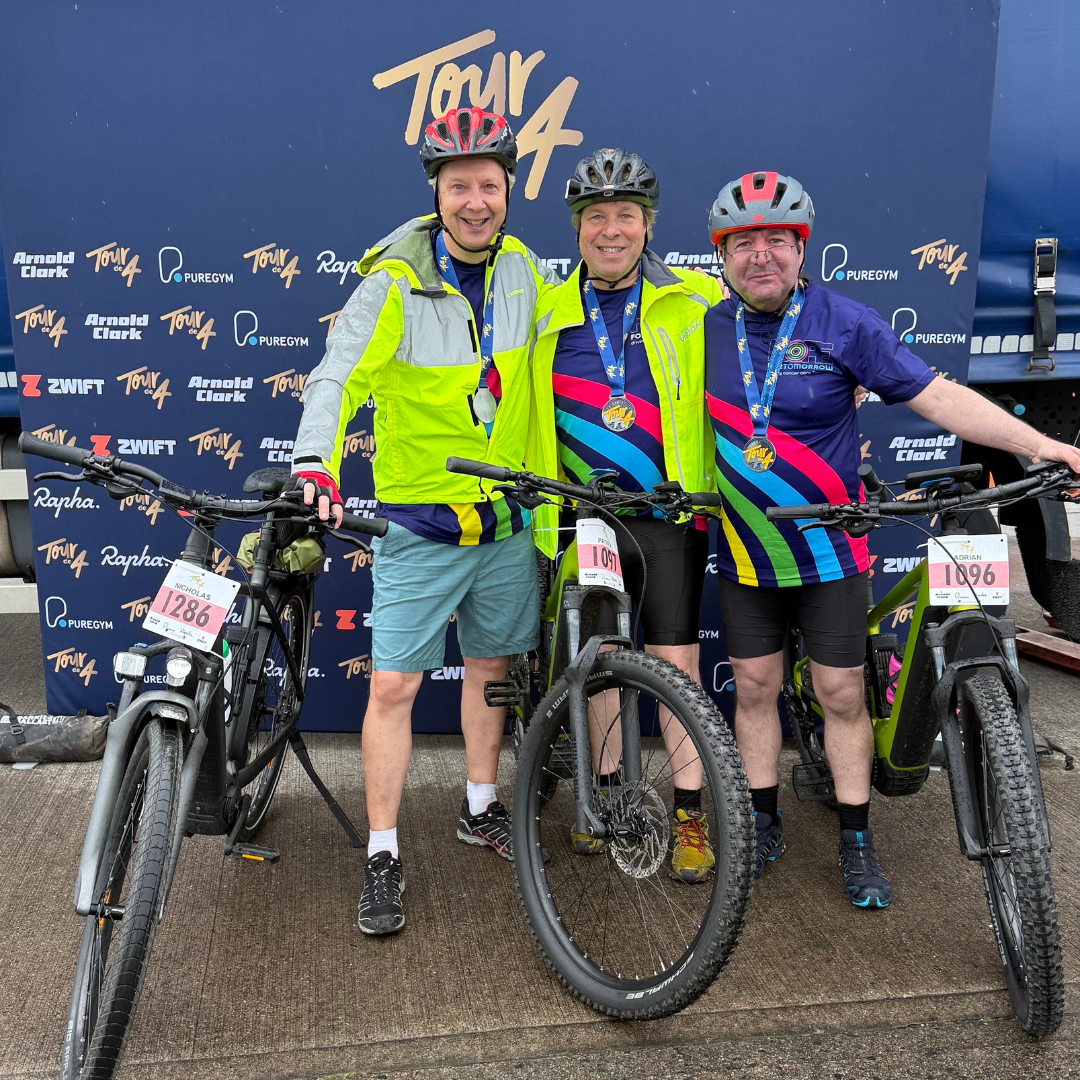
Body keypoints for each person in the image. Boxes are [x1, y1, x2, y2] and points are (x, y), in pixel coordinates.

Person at [703, 170, 1080, 908]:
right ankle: (762, 819)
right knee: (754, 687)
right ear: (721, 256)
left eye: (777, 239)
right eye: (742, 243)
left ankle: (855, 835)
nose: (761, 255)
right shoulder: (703, 329)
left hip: (831, 549)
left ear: (801, 248)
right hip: (747, 548)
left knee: (842, 692)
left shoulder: (846, 322)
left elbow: (937, 397)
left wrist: (1045, 446)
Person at [291, 107, 558, 935]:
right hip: (421, 521)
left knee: (491, 668)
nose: (476, 202)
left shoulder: (523, 267)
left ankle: (479, 807)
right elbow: (337, 377)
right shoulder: (392, 282)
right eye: (459, 187)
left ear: (509, 191)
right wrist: (316, 459)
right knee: (394, 687)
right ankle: (382, 852)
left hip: (505, 520)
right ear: (436, 195)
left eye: (490, 186)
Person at [527, 148, 723, 881]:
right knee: (601, 665)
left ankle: (690, 814)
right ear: (577, 228)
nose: (612, 230)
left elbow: (773, 333)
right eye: (597, 217)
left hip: (668, 515)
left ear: (649, 225)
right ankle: (609, 800)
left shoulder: (697, 298)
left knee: (676, 667)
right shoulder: (546, 310)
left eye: (627, 216)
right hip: (586, 518)